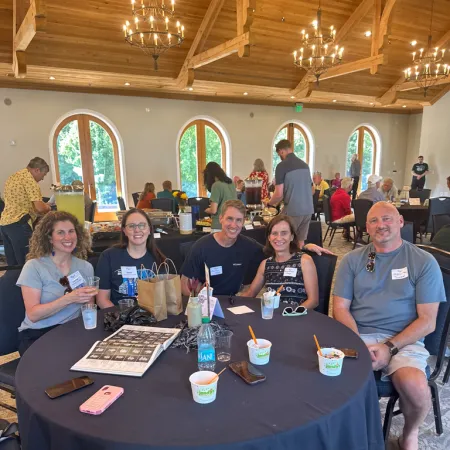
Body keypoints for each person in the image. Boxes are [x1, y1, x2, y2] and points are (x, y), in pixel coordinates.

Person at [333, 202, 446, 450]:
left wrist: (388, 348)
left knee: (415, 386)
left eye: (387, 218)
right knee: (322, 373)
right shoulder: (353, 260)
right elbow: (340, 308)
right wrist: (357, 343)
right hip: (357, 334)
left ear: (400, 222)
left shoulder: (423, 262)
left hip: (403, 340)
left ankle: (410, 432)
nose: (380, 225)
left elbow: (427, 321)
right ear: (366, 227)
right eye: (373, 221)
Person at [16, 211, 96, 355]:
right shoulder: (34, 267)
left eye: (71, 231)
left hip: (72, 331)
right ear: (50, 238)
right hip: (38, 334)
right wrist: (69, 299)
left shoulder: (85, 267)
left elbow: (88, 308)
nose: (68, 237)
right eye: (60, 232)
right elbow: (33, 315)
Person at [241, 215, 319, 309]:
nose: (278, 238)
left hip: (296, 318)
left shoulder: (304, 261)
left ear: (291, 237)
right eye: (274, 233)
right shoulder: (265, 264)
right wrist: (231, 303)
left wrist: (291, 315)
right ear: (269, 238)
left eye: (284, 233)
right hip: (271, 317)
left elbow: (313, 301)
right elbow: (250, 293)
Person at [96, 208, 166, 307]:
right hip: (119, 317)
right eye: (131, 226)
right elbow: (102, 300)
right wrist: (121, 319)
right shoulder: (108, 257)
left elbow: (163, 299)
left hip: (151, 317)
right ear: (124, 231)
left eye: (142, 225)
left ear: (149, 229)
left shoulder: (158, 259)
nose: (137, 230)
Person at [0, 157, 51, 265]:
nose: (42, 179)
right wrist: (48, 207)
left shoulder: (13, 177)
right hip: (19, 224)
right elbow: (40, 208)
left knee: (13, 265)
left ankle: (13, 282)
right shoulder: (30, 180)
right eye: (44, 174)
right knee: (28, 263)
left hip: (5, 224)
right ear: (37, 170)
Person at [266, 139, 314, 249]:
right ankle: (300, 264)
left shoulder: (281, 166)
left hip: (293, 210)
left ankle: (286, 265)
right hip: (308, 210)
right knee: (300, 243)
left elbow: (279, 194)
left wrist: (269, 203)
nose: (280, 157)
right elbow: (312, 190)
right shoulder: (305, 165)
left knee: (284, 242)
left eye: (279, 155)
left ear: (282, 151)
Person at [203, 162, 237, 232]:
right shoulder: (231, 184)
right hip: (232, 224)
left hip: (218, 225)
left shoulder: (216, 185)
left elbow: (213, 210)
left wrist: (207, 210)